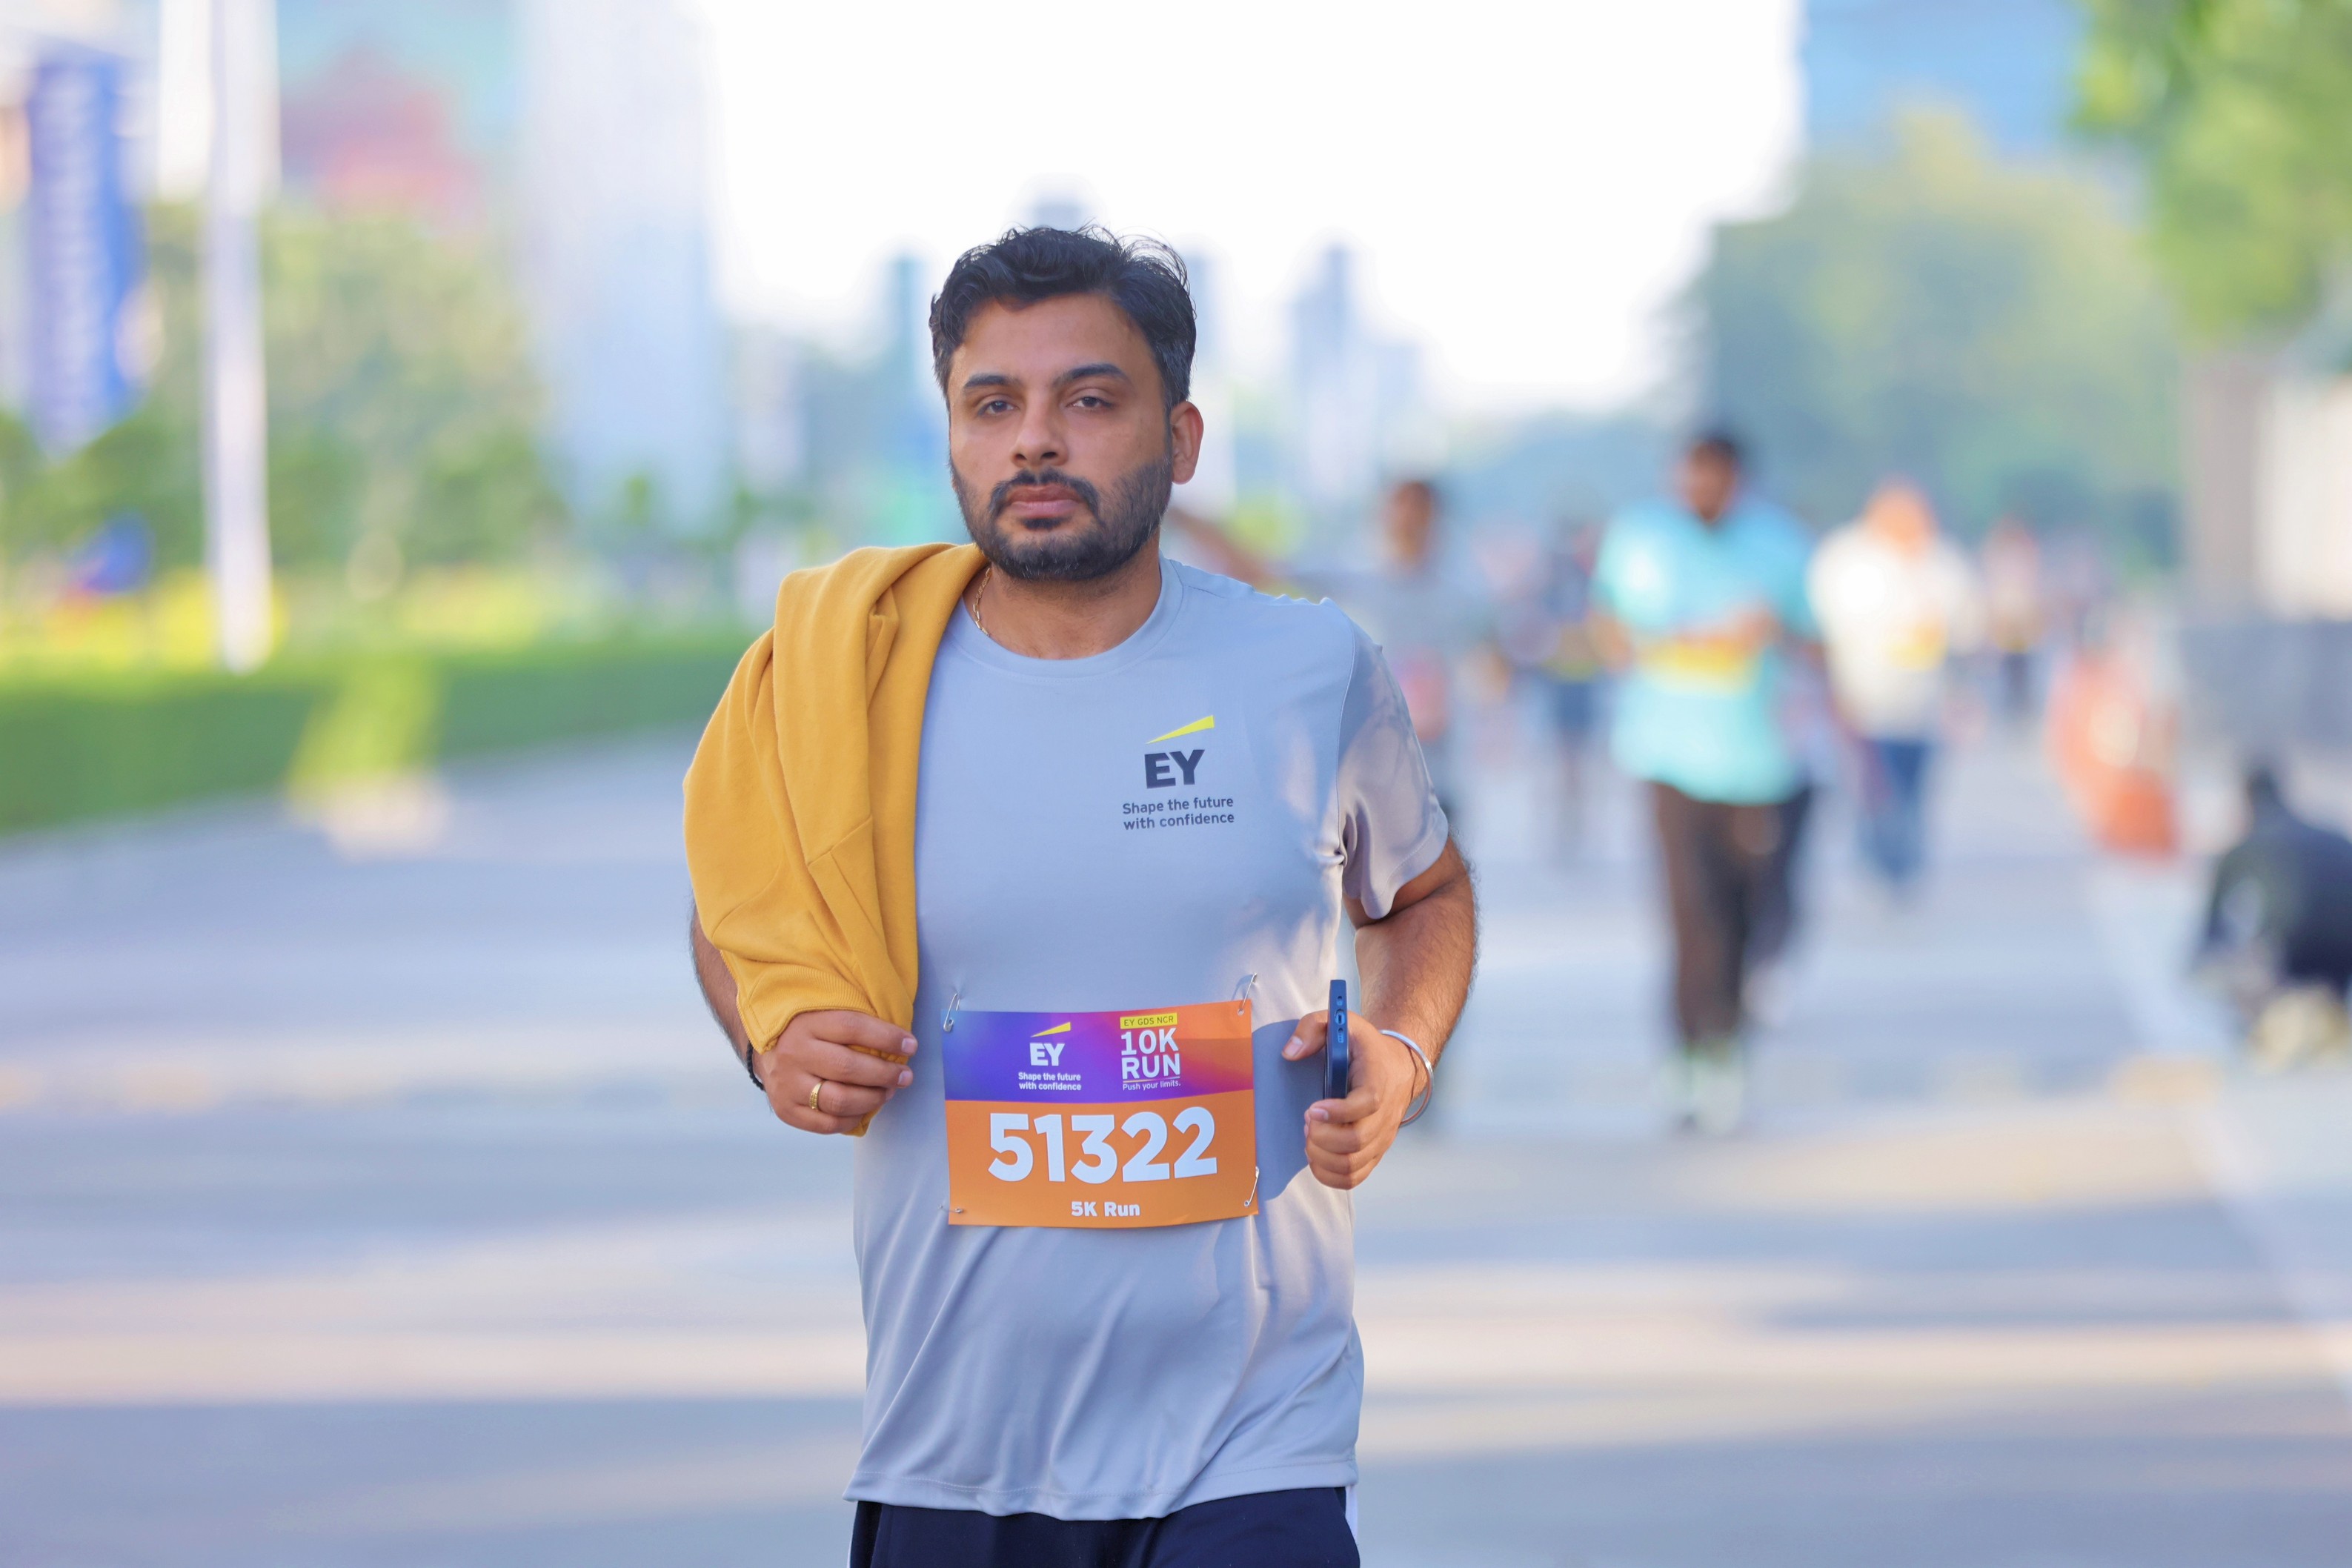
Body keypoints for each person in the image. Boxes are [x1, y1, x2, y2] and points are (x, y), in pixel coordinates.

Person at [682, 226, 1477, 1568]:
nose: (1035, 440)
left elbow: (1422, 893)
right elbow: (737, 917)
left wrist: (1400, 1051)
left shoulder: (1307, 666)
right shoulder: (847, 683)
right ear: (952, 434)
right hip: (956, 1442)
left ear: (1180, 438)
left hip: (1254, 1432)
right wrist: (773, 1035)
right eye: (992, 404)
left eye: (1089, 400)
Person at [1590, 431, 1816, 1134]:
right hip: (1669, 758)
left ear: (1738, 480)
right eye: (1692, 478)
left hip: (1756, 763)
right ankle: (1688, 1053)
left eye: (1715, 480)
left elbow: (1813, 639)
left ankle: (1729, 1043)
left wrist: (1768, 632)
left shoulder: (1780, 545)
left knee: (1747, 914)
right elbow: (1609, 632)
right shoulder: (1642, 541)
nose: (1702, 492)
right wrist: (1669, 638)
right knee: (1690, 914)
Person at [1807, 481, 1984, 897]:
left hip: (1924, 706)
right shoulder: (1845, 560)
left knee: (1913, 788)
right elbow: (1821, 632)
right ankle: (1883, 854)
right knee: (1877, 788)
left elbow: (1968, 632)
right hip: (1865, 702)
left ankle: (1904, 861)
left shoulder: (1943, 564)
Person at [2194, 765, 2352, 1070]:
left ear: (2245, 803)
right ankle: (2325, 1028)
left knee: (2237, 962)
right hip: (2346, 952)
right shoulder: (2333, 834)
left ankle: (2265, 1037)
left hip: (2294, 951)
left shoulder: (2245, 845)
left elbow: (2211, 933)